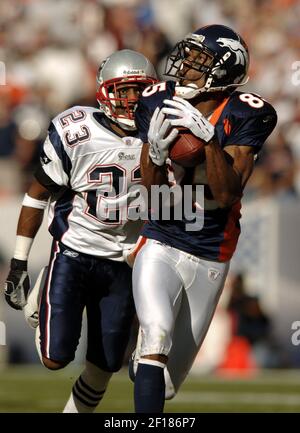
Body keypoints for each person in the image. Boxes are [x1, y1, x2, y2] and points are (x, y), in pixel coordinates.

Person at [129, 24, 277, 412]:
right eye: (189, 55)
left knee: (168, 383)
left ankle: (146, 372)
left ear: (224, 70)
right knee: (155, 339)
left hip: (211, 251)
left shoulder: (246, 113)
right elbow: (152, 195)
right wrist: (156, 157)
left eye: (199, 60)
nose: (186, 65)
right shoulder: (157, 101)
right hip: (161, 239)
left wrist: (209, 141)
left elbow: (228, 193)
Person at [3, 49, 157, 413]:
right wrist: (19, 263)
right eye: (125, 90)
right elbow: (37, 195)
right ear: (105, 91)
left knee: (105, 365)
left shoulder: (163, 131)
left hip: (125, 258)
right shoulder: (76, 130)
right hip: (75, 250)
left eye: (140, 90)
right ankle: (45, 289)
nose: (133, 99)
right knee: (55, 359)